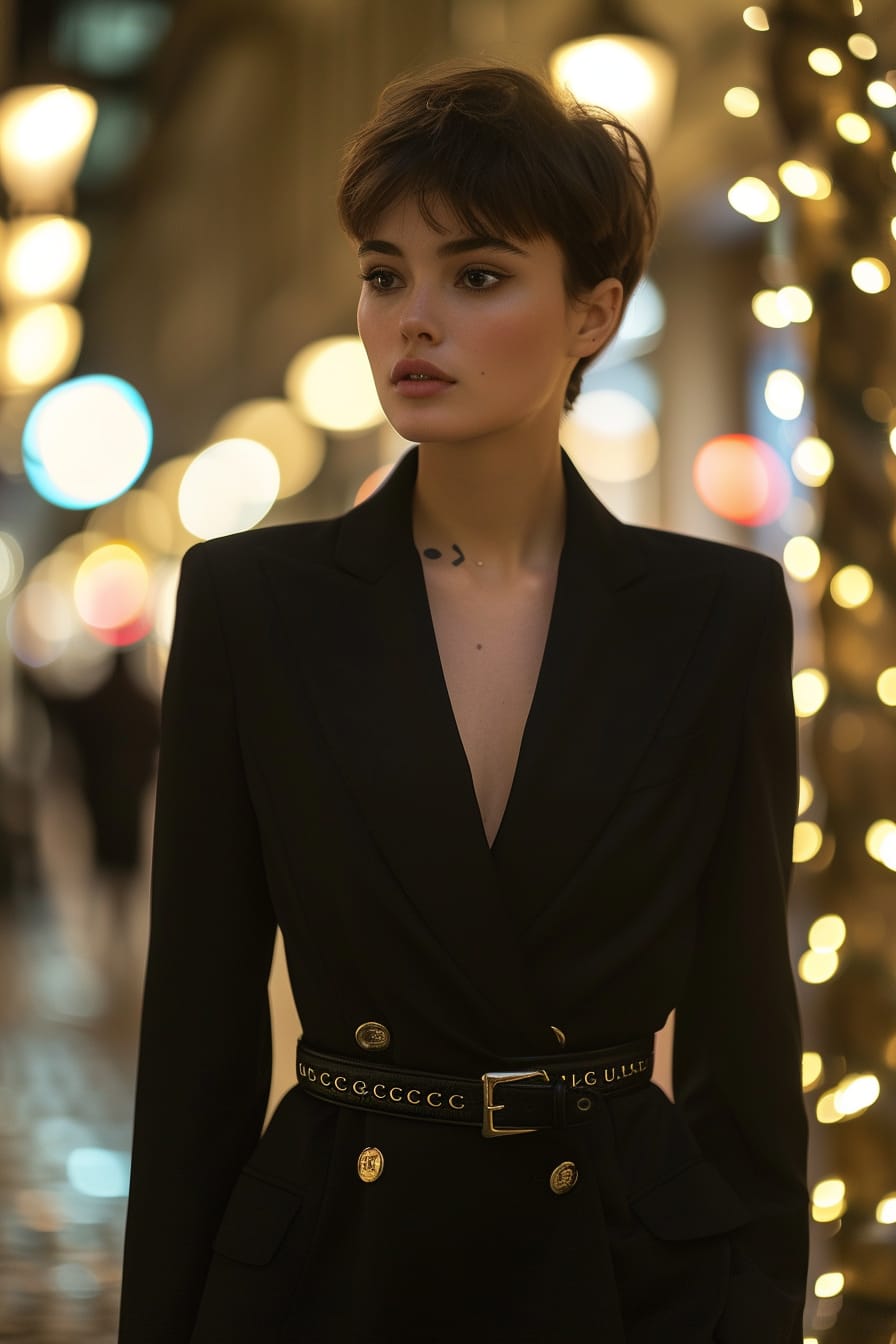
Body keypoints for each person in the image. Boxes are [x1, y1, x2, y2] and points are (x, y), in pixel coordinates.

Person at [117, 60, 809, 1343]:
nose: (410, 320)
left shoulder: (712, 616)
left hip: (623, 1267)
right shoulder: (252, 604)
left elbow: (743, 1031)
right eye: (385, 274)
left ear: (592, 314)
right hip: (337, 1257)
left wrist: (756, 1302)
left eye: (476, 275)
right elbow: (198, 1032)